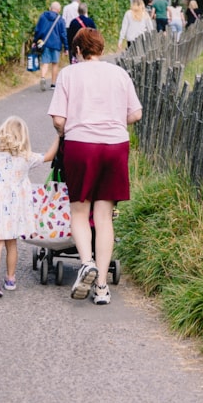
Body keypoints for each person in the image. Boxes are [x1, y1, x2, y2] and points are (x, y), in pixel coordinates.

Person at [48, 28, 142, 305]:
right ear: (101, 49)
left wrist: (69, 128)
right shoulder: (119, 74)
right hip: (115, 146)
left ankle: (86, 263)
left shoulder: (68, 74)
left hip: (81, 146)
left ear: (77, 51)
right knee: (104, 217)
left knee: (79, 210)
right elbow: (135, 113)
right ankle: (102, 285)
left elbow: (58, 120)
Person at [0, 115, 57, 297]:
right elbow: (49, 156)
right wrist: (59, 135)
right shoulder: (26, 158)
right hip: (15, 212)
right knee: (11, 244)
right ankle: (10, 278)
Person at [33, 1, 67, 91]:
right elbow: (63, 34)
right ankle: (53, 84)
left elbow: (38, 30)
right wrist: (66, 47)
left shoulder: (43, 17)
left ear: (50, 8)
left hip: (45, 43)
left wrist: (35, 41)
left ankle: (43, 77)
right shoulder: (60, 20)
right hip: (56, 44)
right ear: (59, 10)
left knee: (45, 63)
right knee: (55, 64)